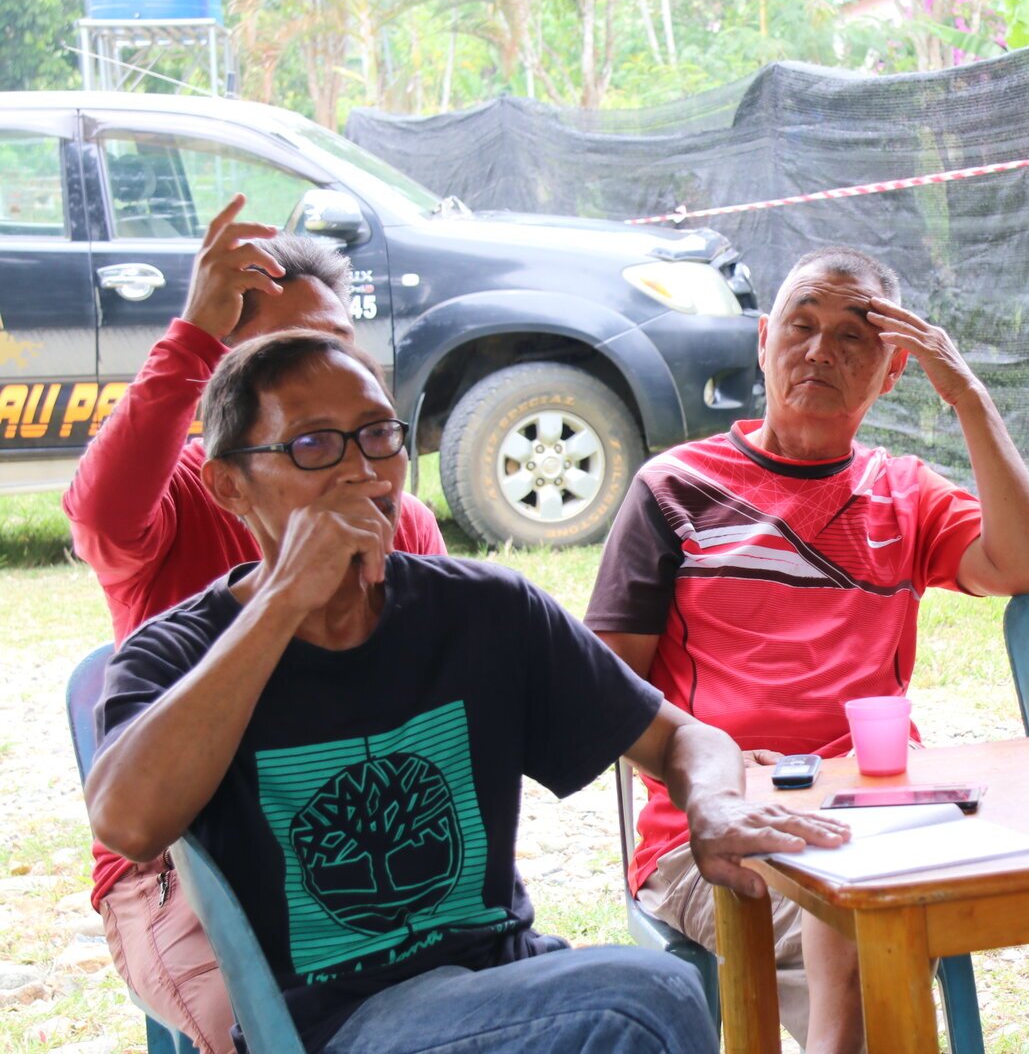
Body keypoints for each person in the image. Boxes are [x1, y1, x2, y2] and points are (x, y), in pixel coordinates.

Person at [86, 331, 848, 1054]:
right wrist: (283, 601)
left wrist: (712, 802)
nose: (361, 471)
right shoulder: (180, 652)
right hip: (335, 1025)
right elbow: (127, 824)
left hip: (503, 983)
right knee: (644, 1001)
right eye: (313, 445)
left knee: (643, 999)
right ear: (228, 485)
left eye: (378, 436)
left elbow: (683, 737)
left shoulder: (481, 611)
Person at [585, 246, 1029, 1051]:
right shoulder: (675, 487)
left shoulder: (904, 492)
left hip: (883, 815)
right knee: (859, 924)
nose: (820, 351)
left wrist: (969, 397)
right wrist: (708, 772)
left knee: (902, 903)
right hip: (716, 828)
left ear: (894, 371)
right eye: (800, 326)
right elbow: (603, 691)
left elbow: (1027, 564)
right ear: (763, 340)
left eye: (853, 336)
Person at [63, 196, 445, 1053]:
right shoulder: (182, 500)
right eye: (280, 355)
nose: (318, 376)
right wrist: (193, 333)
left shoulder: (405, 522)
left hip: (355, 848)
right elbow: (99, 514)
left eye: (333, 346)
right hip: (190, 869)